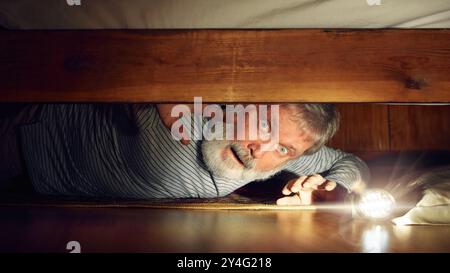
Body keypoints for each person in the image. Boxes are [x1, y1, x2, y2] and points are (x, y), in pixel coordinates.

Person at [0, 103, 369, 205]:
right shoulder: (198, 110)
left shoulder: (280, 162)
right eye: (265, 126)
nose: (262, 149)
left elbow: (353, 163)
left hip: (38, 196)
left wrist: (330, 185)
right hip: (23, 139)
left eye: (284, 147)